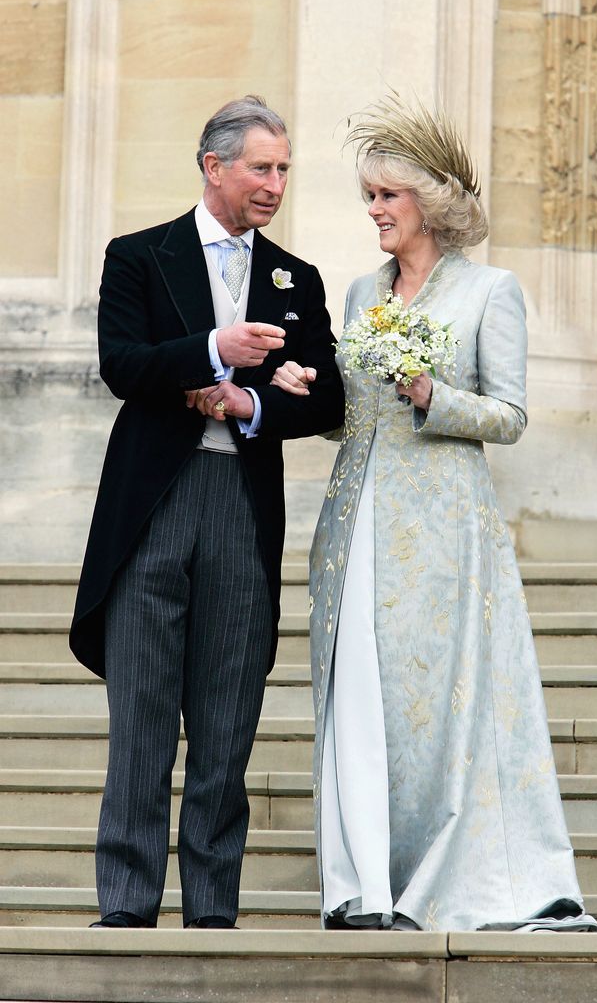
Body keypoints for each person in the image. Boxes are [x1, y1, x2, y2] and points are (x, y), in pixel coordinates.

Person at [271, 94, 597, 933]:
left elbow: (511, 417)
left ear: (433, 202)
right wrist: (299, 387)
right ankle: (363, 885)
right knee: (359, 697)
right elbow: (348, 409)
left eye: (387, 196)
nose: (374, 212)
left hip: (445, 530)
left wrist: (432, 394)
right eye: (368, 198)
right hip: (355, 519)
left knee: (436, 704)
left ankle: (439, 872)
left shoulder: (490, 291)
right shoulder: (355, 292)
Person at [69, 95, 344, 930]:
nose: (274, 184)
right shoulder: (139, 256)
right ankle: (125, 908)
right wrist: (213, 352)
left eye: (284, 169)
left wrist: (254, 402)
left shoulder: (298, 276)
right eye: (260, 167)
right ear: (212, 166)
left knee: (227, 723)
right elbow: (122, 364)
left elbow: (326, 393)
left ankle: (213, 912)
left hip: (240, 505)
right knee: (143, 720)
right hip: (152, 505)